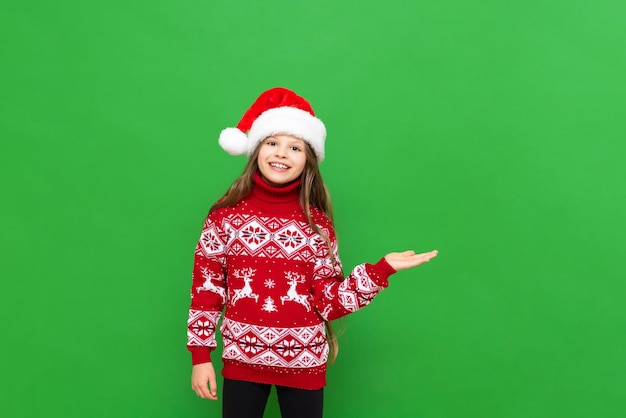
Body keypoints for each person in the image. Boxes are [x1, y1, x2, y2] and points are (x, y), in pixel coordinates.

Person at [187, 87, 438, 418]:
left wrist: (381, 271)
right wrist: (200, 356)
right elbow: (206, 291)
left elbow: (329, 302)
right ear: (256, 149)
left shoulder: (317, 225)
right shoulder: (224, 216)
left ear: (308, 159)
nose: (281, 154)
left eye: (295, 147)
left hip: (303, 362)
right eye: (272, 143)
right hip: (242, 361)